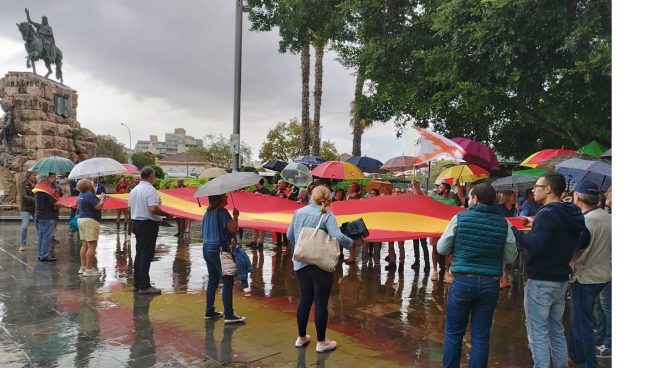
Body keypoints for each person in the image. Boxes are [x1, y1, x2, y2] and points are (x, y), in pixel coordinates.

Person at [511, 173, 591, 368]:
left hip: (541, 281)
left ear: (548, 189)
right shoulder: (571, 212)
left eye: (537, 186)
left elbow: (536, 246)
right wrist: (537, 225)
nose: (533, 190)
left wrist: (515, 232)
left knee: (537, 333)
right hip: (561, 279)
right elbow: (583, 240)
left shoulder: (546, 214)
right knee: (556, 329)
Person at [438, 183, 518, 368]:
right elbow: (510, 256)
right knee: (481, 336)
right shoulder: (504, 223)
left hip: (463, 281)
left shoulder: (460, 218)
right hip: (490, 284)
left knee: (453, 333)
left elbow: (442, 248)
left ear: (475, 199)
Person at [287, 186, 355, 353]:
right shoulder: (327, 214)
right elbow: (338, 236)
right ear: (327, 198)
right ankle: (322, 342)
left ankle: (301, 338)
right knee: (321, 302)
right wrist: (352, 243)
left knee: (304, 299)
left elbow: (289, 235)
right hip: (321, 264)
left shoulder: (299, 212)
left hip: (301, 262)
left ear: (311, 196)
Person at [568, 181, 612, 368]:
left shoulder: (585, 221)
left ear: (577, 197)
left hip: (584, 276)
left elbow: (577, 246)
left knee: (581, 322)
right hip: (603, 274)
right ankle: (577, 356)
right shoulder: (608, 216)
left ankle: (587, 362)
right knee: (587, 317)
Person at [201, 194, 246, 323]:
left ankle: (210, 311)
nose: (227, 198)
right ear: (219, 199)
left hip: (207, 247)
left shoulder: (208, 212)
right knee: (227, 280)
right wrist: (236, 216)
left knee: (213, 279)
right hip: (219, 248)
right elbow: (232, 229)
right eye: (225, 197)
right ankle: (229, 314)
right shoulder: (222, 211)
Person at [129, 167, 170, 294]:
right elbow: (153, 209)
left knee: (139, 253)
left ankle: (137, 283)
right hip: (148, 224)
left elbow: (129, 208)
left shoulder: (134, 190)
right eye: (154, 175)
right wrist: (167, 214)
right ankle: (144, 285)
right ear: (151, 176)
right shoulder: (150, 190)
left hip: (136, 222)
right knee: (147, 254)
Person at [33, 173, 72, 261]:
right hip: (48, 216)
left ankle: (41, 254)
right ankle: (45, 255)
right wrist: (68, 206)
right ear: (43, 180)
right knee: (47, 236)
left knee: (42, 236)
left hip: (40, 215)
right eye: (48, 180)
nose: (49, 182)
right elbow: (55, 203)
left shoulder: (38, 189)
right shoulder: (45, 190)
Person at [594, 186, 612, 358]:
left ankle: (609, 343)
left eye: (610, 191)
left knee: (608, 307)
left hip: (609, 266)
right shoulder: (608, 214)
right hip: (602, 265)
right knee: (599, 305)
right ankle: (600, 336)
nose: (606, 194)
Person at [76, 179, 107, 277]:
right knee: (92, 245)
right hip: (90, 220)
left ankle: (83, 267)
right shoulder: (89, 195)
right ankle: (89, 269)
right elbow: (98, 207)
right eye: (90, 182)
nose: (92, 183)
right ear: (88, 186)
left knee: (84, 244)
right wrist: (102, 198)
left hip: (82, 219)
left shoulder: (81, 194)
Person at [248, 179, 270, 249]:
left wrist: (261, 195)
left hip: (263, 212)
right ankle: (253, 242)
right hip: (256, 211)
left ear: (259, 182)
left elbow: (270, 198)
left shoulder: (265, 190)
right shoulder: (254, 191)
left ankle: (260, 243)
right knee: (255, 227)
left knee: (261, 228)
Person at [18, 171, 37, 252]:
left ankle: (40, 241)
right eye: (34, 175)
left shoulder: (37, 184)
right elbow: (24, 195)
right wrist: (35, 199)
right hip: (26, 208)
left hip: (35, 208)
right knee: (24, 226)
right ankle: (23, 244)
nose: (35, 176)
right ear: (29, 176)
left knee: (38, 224)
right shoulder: (23, 184)